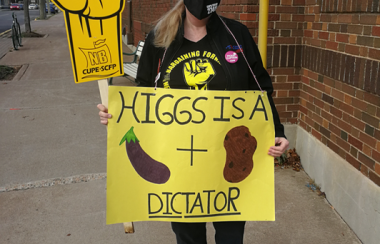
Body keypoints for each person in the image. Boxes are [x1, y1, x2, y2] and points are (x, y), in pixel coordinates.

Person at [98, 0, 289, 243]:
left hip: (227, 162)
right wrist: (116, 114)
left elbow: (260, 90)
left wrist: (278, 131)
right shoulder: (160, 37)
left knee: (231, 236)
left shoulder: (237, 34)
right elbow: (141, 96)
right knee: (188, 238)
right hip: (178, 165)